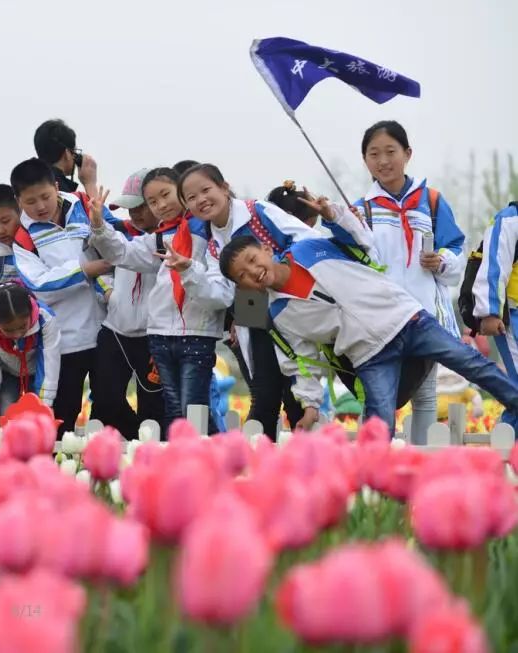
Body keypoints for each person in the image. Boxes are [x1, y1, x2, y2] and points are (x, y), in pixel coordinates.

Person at [218, 235, 518, 435]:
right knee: (379, 420)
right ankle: (375, 491)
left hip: (405, 319)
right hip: (369, 355)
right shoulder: (278, 315)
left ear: (267, 250)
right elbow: (301, 361)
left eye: (253, 259)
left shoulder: (307, 250)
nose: (253, 271)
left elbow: (361, 237)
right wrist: (310, 406)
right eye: (242, 275)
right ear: (242, 287)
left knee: (470, 363)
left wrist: (334, 214)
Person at [177, 163, 370, 439]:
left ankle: (304, 451)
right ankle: (258, 464)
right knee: (264, 391)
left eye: (206, 190)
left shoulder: (259, 212)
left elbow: (307, 238)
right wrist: (188, 272)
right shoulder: (211, 243)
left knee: (296, 390)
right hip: (251, 308)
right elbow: (220, 293)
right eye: (192, 198)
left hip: (290, 301)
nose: (201, 200)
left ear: (224, 187)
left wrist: (276, 270)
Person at [87, 168, 224, 437]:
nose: (157, 206)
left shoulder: (206, 229)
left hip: (188, 334)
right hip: (150, 334)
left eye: (165, 196)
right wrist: (100, 225)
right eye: (150, 202)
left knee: (184, 409)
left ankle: (213, 459)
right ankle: (154, 451)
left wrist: (188, 269)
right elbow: (120, 254)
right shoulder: (153, 237)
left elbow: (220, 287)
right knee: (169, 410)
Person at [352, 120, 466, 444]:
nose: (383, 161)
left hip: (423, 315)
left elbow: (454, 247)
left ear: (407, 153)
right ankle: (371, 476)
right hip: (379, 321)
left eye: (391, 151)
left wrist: (441, 260)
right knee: (377, 396)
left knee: (426, 396)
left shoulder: (430, 201)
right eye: (374, 154)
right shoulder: (361, 211)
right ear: (365, 160)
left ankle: (421, 472)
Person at [9, 158, 112, 435]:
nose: (40, 206)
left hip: (106, 327)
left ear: (56, 186)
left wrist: (91, 184)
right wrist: (85, 270)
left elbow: (114, 235)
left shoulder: (81, 204)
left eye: (45, 196)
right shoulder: (23, 238)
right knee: (64, 410)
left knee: (109, 403)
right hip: (65, 337)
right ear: (18, 201)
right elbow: (38, 283)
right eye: (30, 202)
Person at [88, 168, 165, 437]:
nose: (135, 214)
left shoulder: (172, 239)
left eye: (142, 207)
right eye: (130, 208)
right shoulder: (119, 234)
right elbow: (99, 269)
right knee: (105, 401)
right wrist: (108, 291)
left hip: (152, 336)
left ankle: (149, 454)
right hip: (115, 331)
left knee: (153, 409)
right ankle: (134, 442)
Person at [0, 283, 61, 436]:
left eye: (22, 326)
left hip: (38, 373)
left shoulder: (44, 318)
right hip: (7, 373)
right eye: (8, 330)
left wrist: (45, 406)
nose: (17, 334)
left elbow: (49, 363)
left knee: (40, 422)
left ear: (30, 313)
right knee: (7, 418)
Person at [473, 201, 518, 427]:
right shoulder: (511, 218)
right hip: (514, 315)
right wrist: (490, 311)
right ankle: (503, 454)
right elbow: (494, 264)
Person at [33, 118, 96, 194]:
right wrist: (90, 183)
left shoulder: (29, 180)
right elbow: (95, 206)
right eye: (74, 151)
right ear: (67, 153)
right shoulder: (61, 190)